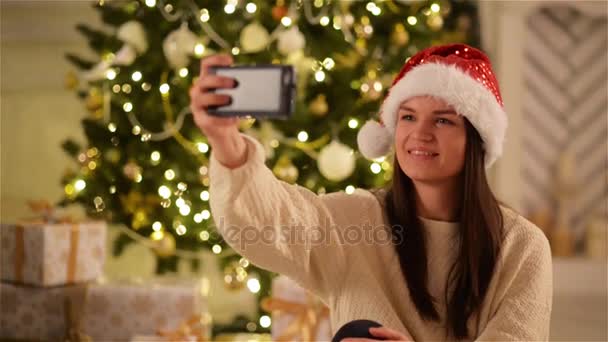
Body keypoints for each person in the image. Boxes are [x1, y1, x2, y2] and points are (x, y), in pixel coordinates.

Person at [189, 44, 553, 341]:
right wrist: (225, 141)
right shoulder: (355, 220)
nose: (419, 134)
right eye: (408, 117)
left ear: (476, 140)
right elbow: (269, 221)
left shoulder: (522, 246)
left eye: (443, 120)